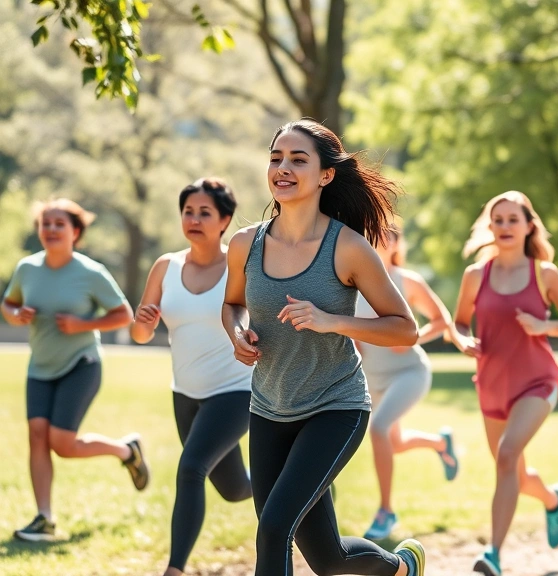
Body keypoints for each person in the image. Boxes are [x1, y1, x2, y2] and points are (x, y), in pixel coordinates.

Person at [221, 119, 426, 576]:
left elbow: (405, 329)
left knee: (274, 530)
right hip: (269, 407)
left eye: (298, 160)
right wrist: (237, 334)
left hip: (336, 407)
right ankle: (401, 568)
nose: (283, 168)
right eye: (276, 158)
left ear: (326, 175)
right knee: (328, 559)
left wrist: (332, 321)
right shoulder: (244, 244)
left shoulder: (347, 247)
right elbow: (232, 305)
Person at [451, 191, 558, 576]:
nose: (505, 226)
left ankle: (493, 554)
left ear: (529, 226)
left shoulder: (545, 274)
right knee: (515, 472)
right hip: (492, 386)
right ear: (490, 227)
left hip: (538, 382)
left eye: (513, 219)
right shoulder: (475, 276)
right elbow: (459, 322)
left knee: (507, 455)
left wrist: (544, 325)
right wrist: (462, 340)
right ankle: (553, 499)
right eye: (498, 220)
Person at [2, 198, 148, 542]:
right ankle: (44, 518)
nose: (51, 229)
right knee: (37, 436)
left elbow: (123, 315)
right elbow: (8, 303)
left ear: (76, 232)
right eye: (45, 223)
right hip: (40, 366)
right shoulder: (27, 268)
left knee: (62, 444)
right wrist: (16, 314)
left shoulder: (90, 272)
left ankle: (126, 451)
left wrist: (83, 324)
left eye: (59, 224)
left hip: (81, 364)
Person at [130, 178, 254, 575]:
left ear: (225, 220)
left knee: (191, 468)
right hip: (185, 394)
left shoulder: (240, 265)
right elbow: (140, 334)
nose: (194, 220)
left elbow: (257, 318)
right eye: (188, 212)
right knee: (234, 488)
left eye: (204, 213)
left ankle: (175, 569)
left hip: (235, 391)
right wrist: (144, 323)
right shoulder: (165, 266)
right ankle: (302, 483)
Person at [354, 226, 459, 540]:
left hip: (409, 372)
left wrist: (412, 338)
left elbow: (442, 320)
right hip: (373, 377)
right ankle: (441, 444)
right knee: (394, 443)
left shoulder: (406, 280)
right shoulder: (353, 281)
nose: (378, 239)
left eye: (387, 235)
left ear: (397, 244)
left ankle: (386, 512)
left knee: (379, 429)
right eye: (373, 233)